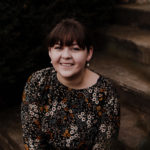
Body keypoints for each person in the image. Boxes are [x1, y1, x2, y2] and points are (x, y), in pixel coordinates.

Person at [21, 18, 120, 150]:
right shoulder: (37, 82)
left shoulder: (106, 92)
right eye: (58, 48)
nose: (66, 55)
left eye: (75, 49)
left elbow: (105, 145)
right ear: (50, 52)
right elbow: (31, 139)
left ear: (89, 53)